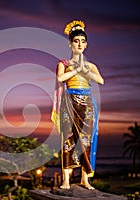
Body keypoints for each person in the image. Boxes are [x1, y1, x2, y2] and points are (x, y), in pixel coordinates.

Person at [51, 20, 104, 190]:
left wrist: (85, 70)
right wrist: (75, 70)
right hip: (69, 102)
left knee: (85, 141)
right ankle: (66, 179)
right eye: (76, 41)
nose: (79, 44)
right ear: (70, 43)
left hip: (87, 104)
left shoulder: (90, 65)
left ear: (86, 44)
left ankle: (84, 178)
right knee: (68, 139)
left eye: (82, 41)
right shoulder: (64, 64)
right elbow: (60, 78)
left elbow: (101, 81)